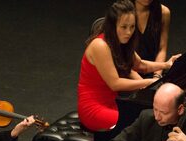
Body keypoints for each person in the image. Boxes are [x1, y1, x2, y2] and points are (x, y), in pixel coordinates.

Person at [77, 0, 180, 131]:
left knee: (149, 119)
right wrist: (148, 82)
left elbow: (141, 65)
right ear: (112, 25)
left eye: (132, 27)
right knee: (143, 123)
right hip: (93, 109)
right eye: (124, 27)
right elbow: (115, 83)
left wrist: (167, 64)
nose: (129, 32)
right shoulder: (100, 45)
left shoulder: (121, 42)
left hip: (113, 103)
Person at [132, 0, 171, 79]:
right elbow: (122, 59)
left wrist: (156, 77)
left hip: (153, 68)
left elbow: (162, 49)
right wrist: (143, 83)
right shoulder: (122, 13)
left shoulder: (163, 12)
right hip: (128, 72)